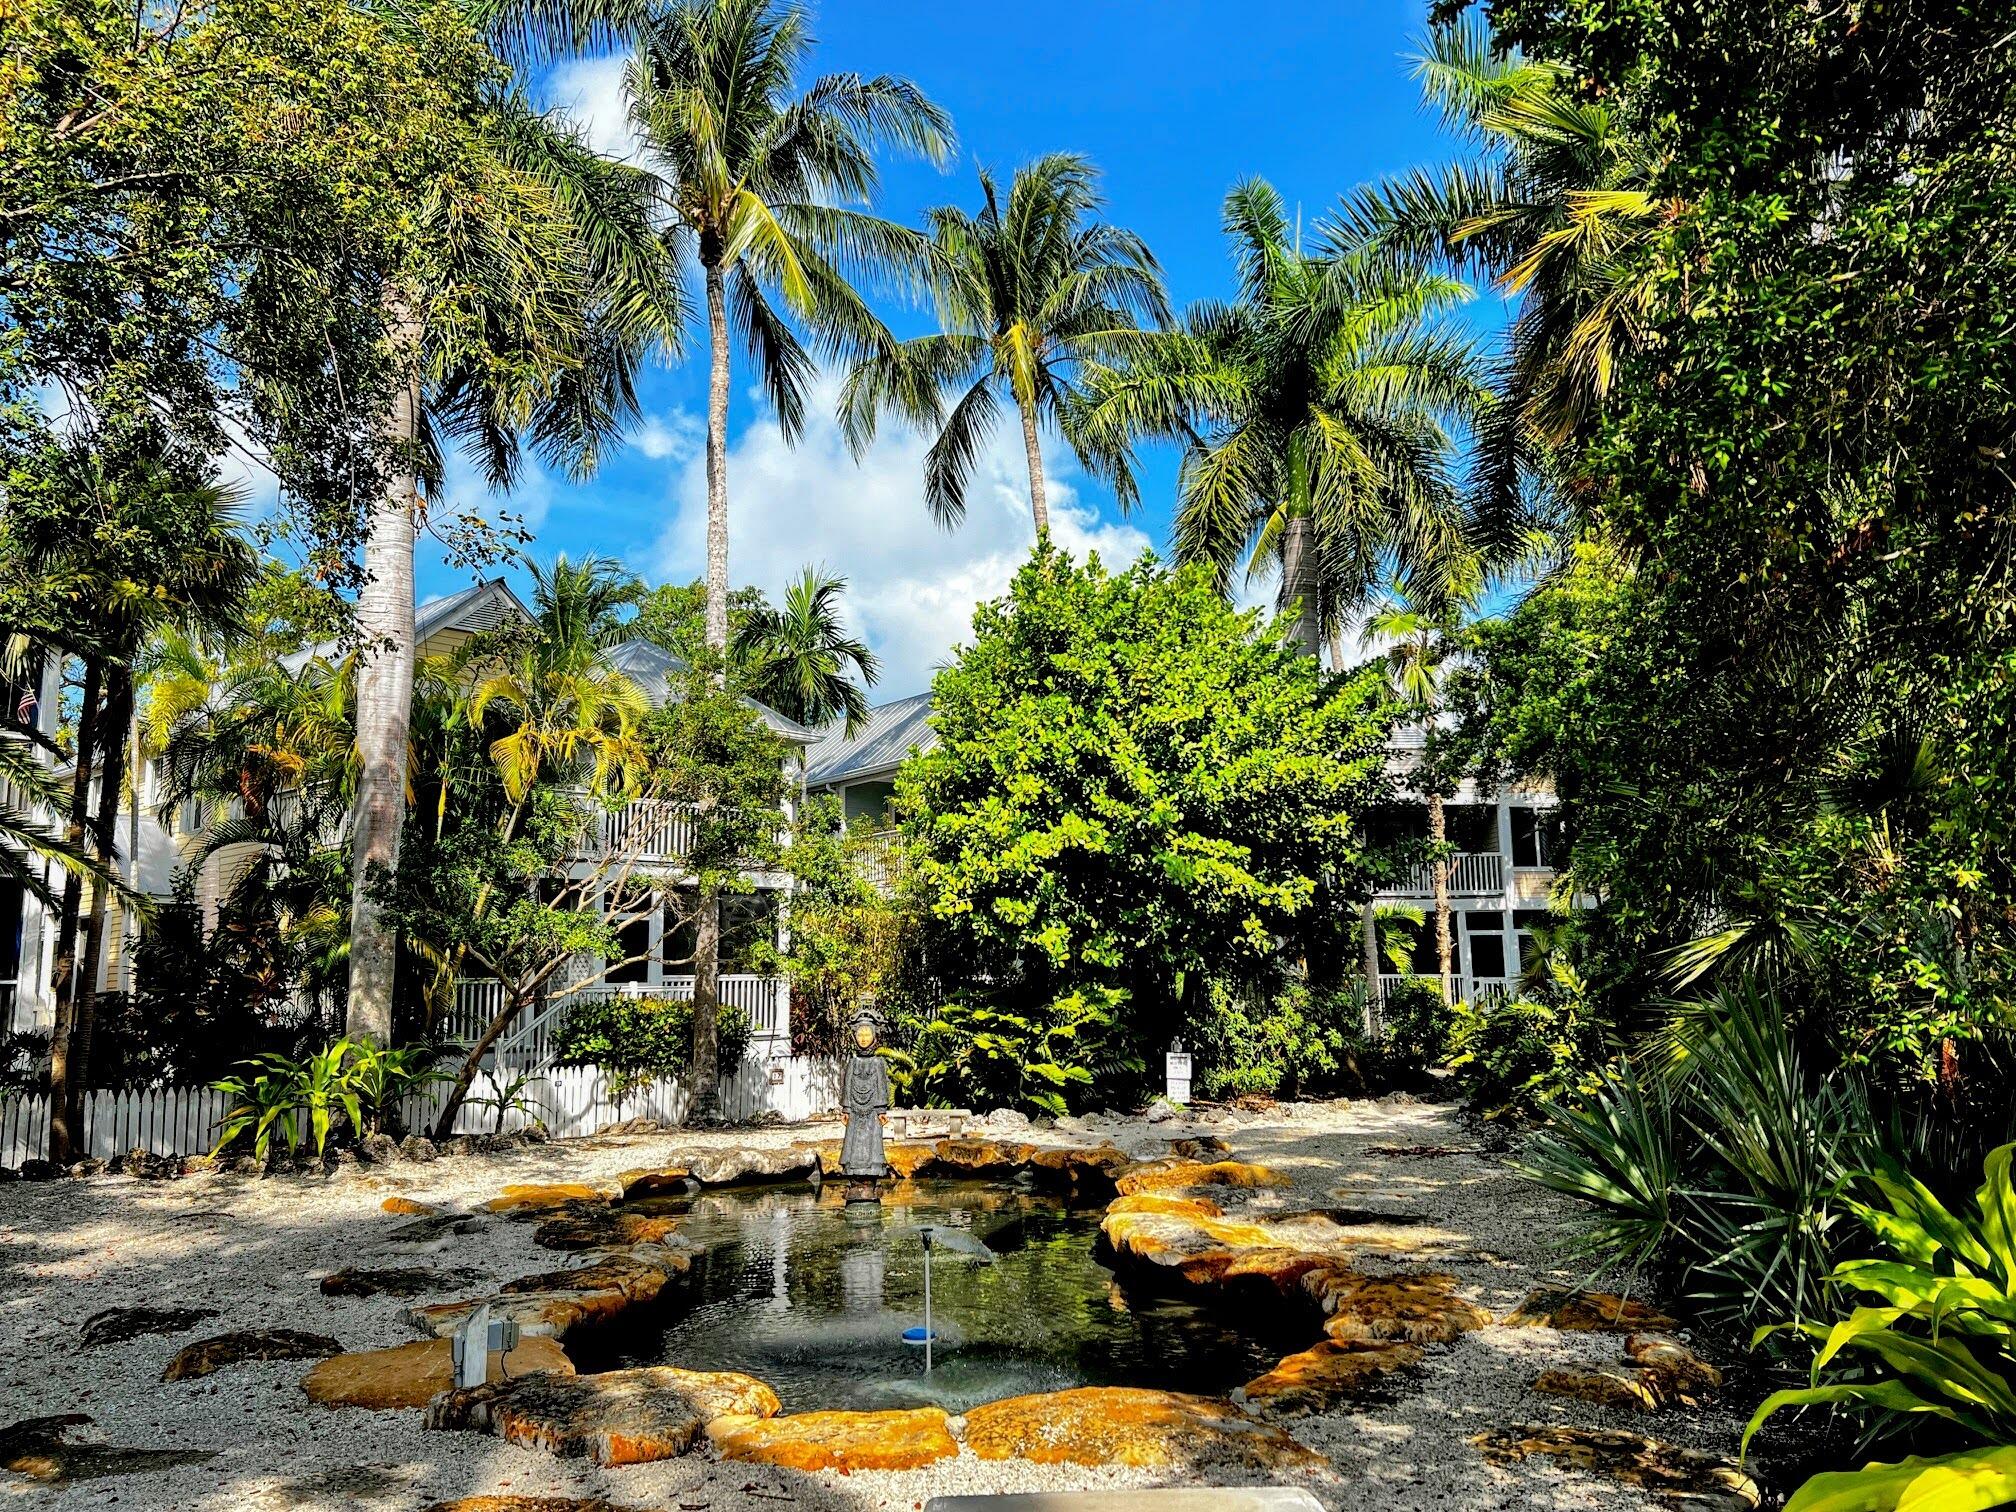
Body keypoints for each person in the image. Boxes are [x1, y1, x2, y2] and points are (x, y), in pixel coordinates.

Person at [839, 1010, 890, 1181]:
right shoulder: (852, 1062)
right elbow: (847, 1086)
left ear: (874, 1036)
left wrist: (882, 1109)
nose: (863, 1038)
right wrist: (846, 1108)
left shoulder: (878, 1062)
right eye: (860, 1034)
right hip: (854, 1110)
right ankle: (853, 1173)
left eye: (867, 1034)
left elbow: (882, 1086)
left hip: (873, 1111)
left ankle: (873, 1171)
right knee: (853, 1140)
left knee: (873, 1141)